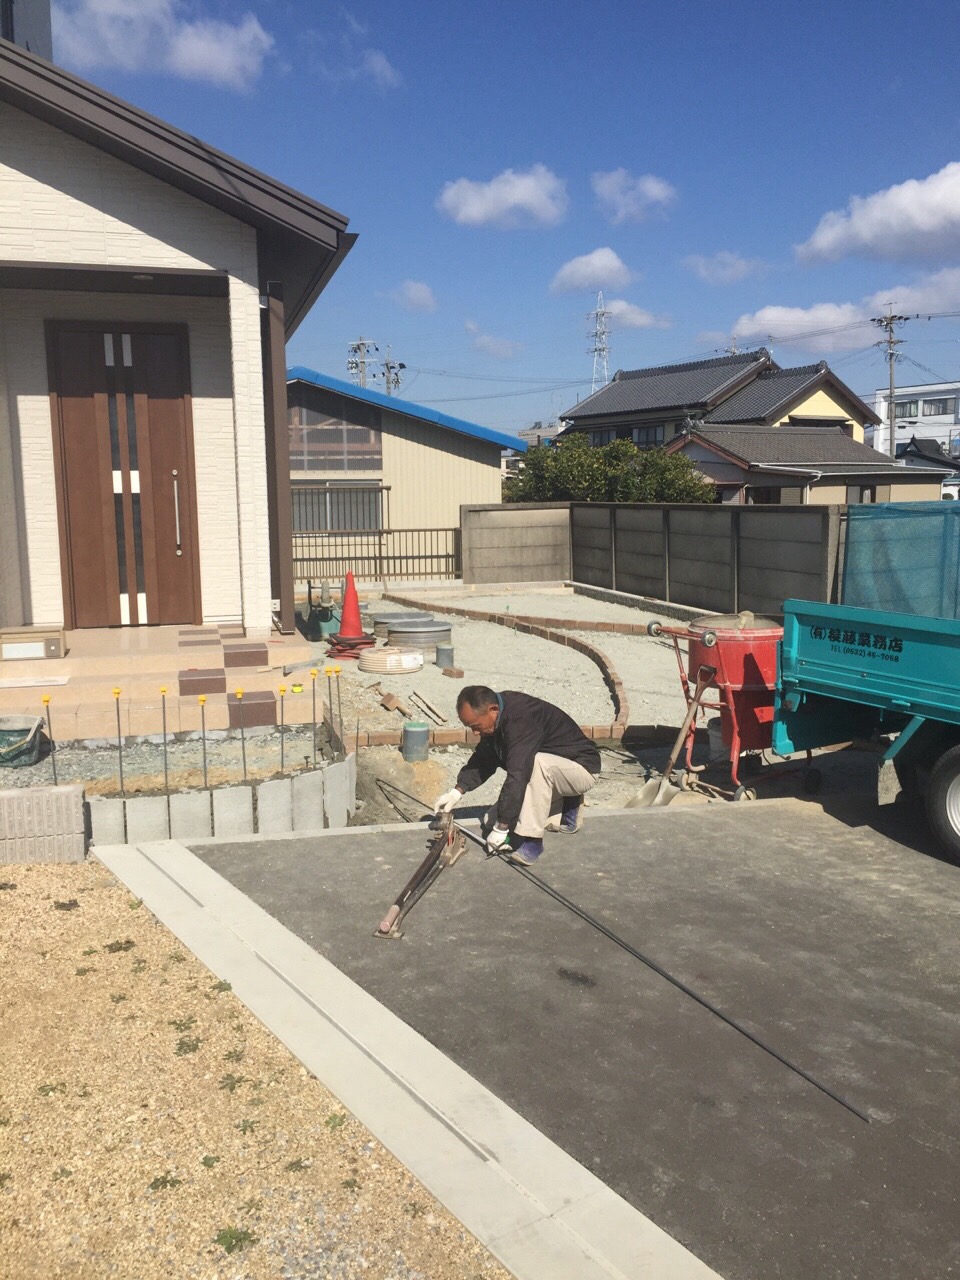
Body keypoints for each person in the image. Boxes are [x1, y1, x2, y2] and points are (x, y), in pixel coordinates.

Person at [434, 685, 601, 866]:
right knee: (489, 821)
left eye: (476, 726)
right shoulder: (496, 718)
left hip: (581, 769)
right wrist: (458, 790)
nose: (475, 732)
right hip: (554, 775)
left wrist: (502, 827)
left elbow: (518, 774)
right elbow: (484, 759)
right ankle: (568, 802)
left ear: (493, 709)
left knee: (537, 763)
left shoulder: (522, 719)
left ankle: (533, 841)